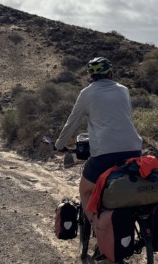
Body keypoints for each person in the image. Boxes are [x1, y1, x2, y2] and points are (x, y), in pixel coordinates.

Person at [55, 57, 142, 218]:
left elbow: (72, 122)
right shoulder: (123, 90)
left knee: (85, 191)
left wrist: (59, 145)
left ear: (91, 76)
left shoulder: (86, 93)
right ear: (111, 73)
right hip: (134, 150)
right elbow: (125, 117)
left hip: (105, 154)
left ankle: (97, 227)